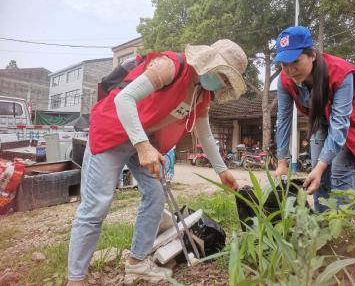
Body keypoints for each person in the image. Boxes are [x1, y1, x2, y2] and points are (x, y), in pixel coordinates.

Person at [67, 39, 248, 285]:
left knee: (155, 195)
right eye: (223, 75)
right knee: (97, 205)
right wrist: (142, 146)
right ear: (210, 62)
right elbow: (124, 100)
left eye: (228, 81)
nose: (223, 83)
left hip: (143, 141)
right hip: (112, 132)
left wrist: (222, 170)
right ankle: (75, 278)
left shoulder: (202, 94)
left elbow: (204, 133)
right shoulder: (171, 66)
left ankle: (137, 263)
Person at [273, 26, 355, 212]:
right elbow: (283, 119)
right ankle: (322, 228)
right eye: (283, 64)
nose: (290, 70)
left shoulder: (341, 73)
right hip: (321, 122)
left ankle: (342, 228)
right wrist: (282, 161)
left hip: (354, 124)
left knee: (338, 171)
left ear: (312, 55)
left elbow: (339, 123)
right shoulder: (284, 80)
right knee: (316, 174)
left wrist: (322, 166)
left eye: (295, 61)